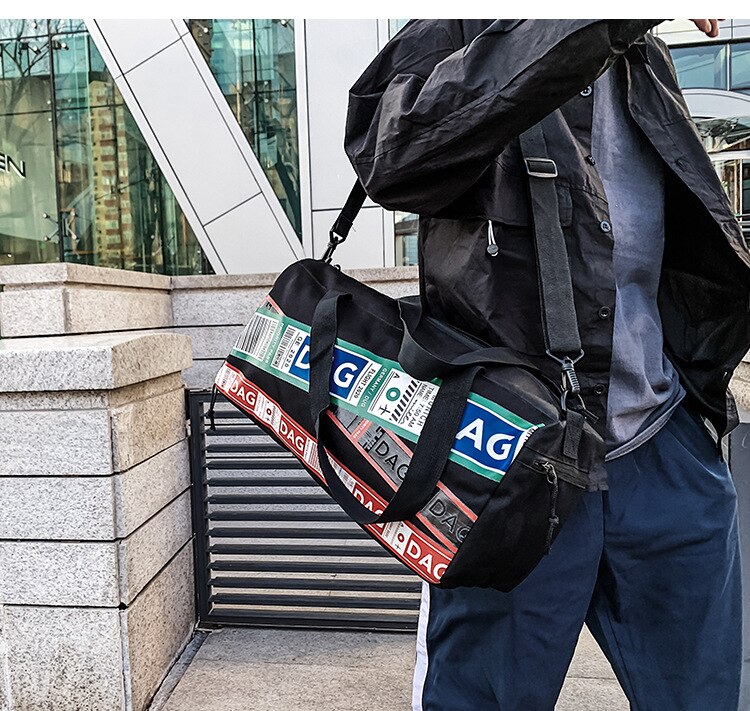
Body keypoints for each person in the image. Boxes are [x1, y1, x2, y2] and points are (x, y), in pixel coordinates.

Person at [344, 19, 750, 711]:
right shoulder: (458, 26)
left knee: (707, 695)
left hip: (662, 447)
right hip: (512, 461)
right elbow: (392, 158)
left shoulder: (642, 55)